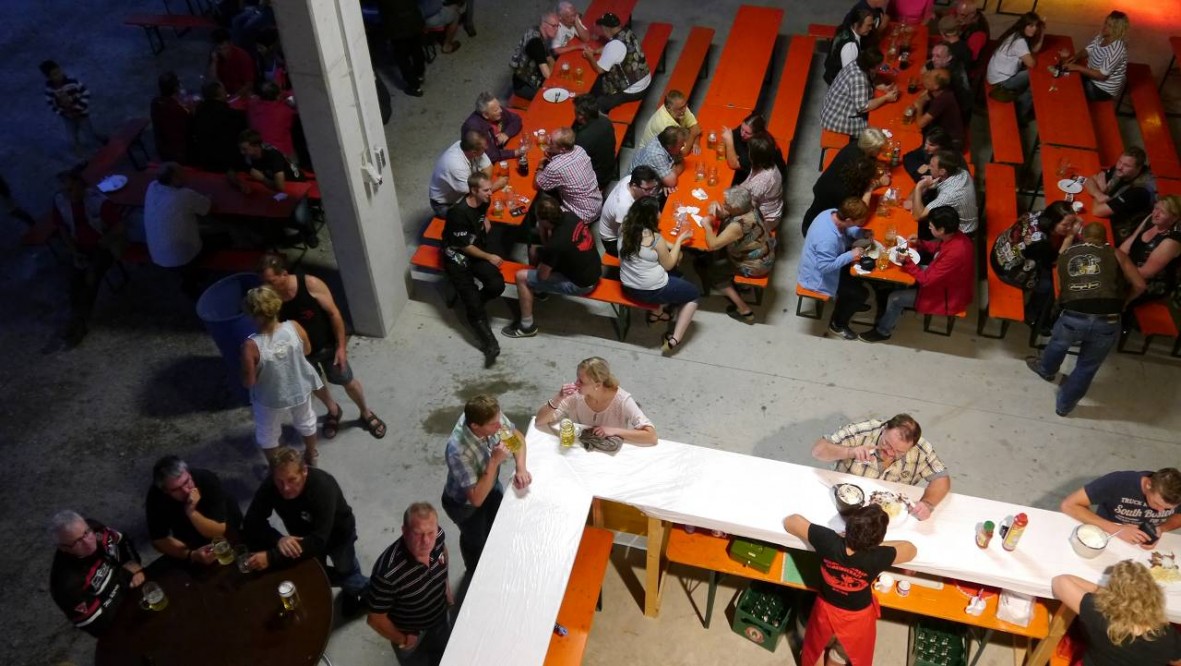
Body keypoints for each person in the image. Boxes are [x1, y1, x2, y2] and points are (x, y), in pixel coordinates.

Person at [259, 253, 387, 440]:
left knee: (347, 380)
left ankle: (365, 412)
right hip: (301, 354)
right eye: (264, 282)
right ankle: (333, 410)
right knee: (315, 385)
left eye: (271, 281)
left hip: (327, 346)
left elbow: (334, 314)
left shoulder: (310, 285)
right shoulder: (270, 298)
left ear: (284, 274)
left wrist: (341, 348)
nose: (267, 287)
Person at [1026, 223, 1146, 416]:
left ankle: (1046, 369)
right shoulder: (1116, 254)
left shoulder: (1067, 253)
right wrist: (1124, 301)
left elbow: (1060, 282)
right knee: (1087, 366)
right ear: (1105, 239)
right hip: (1108, 320)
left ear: (1082, 237)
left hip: (1074, 315)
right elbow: (1140, 285)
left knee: (1058, 343)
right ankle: (1064, 406)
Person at [783, 506, 917, 666]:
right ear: (878, 540)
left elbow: (790, 522)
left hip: (825, 611)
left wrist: (838, 536)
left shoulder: (827, 540)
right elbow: (911, 549)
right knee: (840, 655)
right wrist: (872, 545)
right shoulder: (878, 556)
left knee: (815, 649)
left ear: (848, 526)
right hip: (856, 619)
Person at [243, 447, 370, 615]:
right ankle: (354, 587)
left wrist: (271, 557)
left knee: (345, 567)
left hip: (338, 536)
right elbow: (252, 521)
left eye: (291, 480)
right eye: (280, 481)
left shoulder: (322, 487)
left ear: (304, 471)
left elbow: (318, 541)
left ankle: (368, 592)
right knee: (319, 573)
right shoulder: (271, 485)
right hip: (303, 538)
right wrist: (279, 539)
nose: (285, 488)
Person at [442, 394, 532, 571]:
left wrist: (521, 468)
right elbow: (476, 499)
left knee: (497, 527)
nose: (499, 426)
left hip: (490, 486)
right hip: (465, 504)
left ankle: (494, 562)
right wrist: (494, 461)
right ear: (475, 426)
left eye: (498, 420)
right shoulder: (457, 450)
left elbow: (516, 437)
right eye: (493, 424)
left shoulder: (491, 417)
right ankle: (475, 572)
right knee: (475, 541)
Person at [861, 206, 975, 343]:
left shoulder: (955, 252)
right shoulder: (956, 236)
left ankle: (883, 331)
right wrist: (921, 243)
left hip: (947, 295)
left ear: (941, 230)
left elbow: (926, 280)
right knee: (901, 274)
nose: (929, 228)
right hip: (944, 278)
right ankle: (893, 312)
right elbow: (939, 249)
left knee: (895, 298)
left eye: (931, 226)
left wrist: (907, 261)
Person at [241, 285, 323, 466]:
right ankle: (311, 454)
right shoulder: (294, 327)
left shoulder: (251, 346)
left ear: (254, 315)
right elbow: (307, 350)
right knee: (306, 420)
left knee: (268, 433)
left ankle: (276, 467)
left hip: (270, 397)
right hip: (299, 387)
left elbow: (249, 381)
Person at [810, 414, 951, 519]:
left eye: (899, 452)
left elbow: (941, 478)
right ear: (883, 429)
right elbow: (818, 451)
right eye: (886, 444)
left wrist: (928, 503)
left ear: (912, 447)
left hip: (888, 513)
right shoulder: (863, 431)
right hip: (846, 503)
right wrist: (849, 452)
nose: (890, 453)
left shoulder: (921, 450)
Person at [366, 503, 455, 666]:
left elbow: (443, 551)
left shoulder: (438, 536)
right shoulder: (387, 573)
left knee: (445, 655)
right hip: (412, 634)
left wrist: (446, 587)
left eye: (430, 532)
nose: (426, 541)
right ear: (405, 531)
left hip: (440, 618)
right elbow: (375, 619)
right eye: (418, 533)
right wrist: (402, 639)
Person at [502, 195, 600, 338]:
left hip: (582, 284)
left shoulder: (556, 245)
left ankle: (527, 326)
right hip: (592, 268)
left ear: (544, 220)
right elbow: (549, 247)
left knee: (521, 277)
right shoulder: (571, 217)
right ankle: (540, 292)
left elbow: (543, 275)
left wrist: (542, 231)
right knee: (534, 251)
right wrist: (543, 229)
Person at [1051, 562, 1181, 665]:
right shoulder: (1166, 635)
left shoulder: (1100, 615)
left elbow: (1060, 582)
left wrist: (1105, 593)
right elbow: (1177, 660)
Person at [51, 169, 124, 348]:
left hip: (102, 246)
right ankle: (76, 320)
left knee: (91, 280)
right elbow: (62, 228)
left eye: (71, 189)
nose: (67, 194)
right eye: (65, 189)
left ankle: (80, 323)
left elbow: (119, 228)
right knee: (74, 282)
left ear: (80, 185)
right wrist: (74, 252)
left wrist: (102, 242)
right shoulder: (61, 201)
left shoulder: (98, 202)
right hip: (79, 248)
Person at [618, 196, 699, 354]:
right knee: (693, 294)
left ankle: (657, 314)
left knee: (675, 275)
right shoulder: (654, 238)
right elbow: (669, 264)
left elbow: (653, 248)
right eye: (658, 211)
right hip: (650, 290)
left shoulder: (624, 228)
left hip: (627, 285)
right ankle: (675, 339)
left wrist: (669, 245)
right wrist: (679, 241)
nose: (660, 213)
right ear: (651, 216)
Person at [49, 510, 144, 637]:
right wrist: (126, 577)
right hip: (124, 624)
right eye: (77, 542)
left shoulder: (95, 528)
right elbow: (99, 623)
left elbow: (123, 542)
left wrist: (133, 565)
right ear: (63, 548)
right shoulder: (65, 585)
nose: (88, 542)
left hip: (137, 588)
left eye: (86, 532)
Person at [990, 201, 1081, 332]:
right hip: (1006, 268)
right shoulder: (1040, 242)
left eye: (1072, 223)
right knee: (1049, 285)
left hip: (1002, 247)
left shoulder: (1037, 214)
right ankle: (1032, 315)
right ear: (1053, 222)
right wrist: (1070, 237)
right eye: (1065, 225)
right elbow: (1055, 260)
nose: (1069, 228)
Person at [442, 173, 503, 368]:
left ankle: (474, 303)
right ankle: (490, 344)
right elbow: (464, 247)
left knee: (497, 285)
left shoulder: (484, 201)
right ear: (473, 191)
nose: (490, 192)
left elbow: (481, 217)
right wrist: (489, 257)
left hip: (475, 248)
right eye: (486, 190)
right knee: (472, 302)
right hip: (457, 256)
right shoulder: (457, 213)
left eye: (490, 189)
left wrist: (484, 221)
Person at [799, 198, 874, 340]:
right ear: (849, 219)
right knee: (859, 294)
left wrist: (861, 233)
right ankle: (837, 325)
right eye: (859, 221)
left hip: (830, 259)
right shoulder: (827, 239)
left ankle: (850, 305)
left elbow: (848, 228)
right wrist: (851, 255)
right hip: (818, 277)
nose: (861, 223)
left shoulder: (832, 213)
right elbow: (825, 267)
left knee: (859, 277)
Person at [536, 356, 658, 444]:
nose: (576, 383)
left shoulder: (623, 401)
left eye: (581, 381)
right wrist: (558, 398)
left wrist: (614, 431)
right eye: (577, 378)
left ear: (597, 385)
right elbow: (540, 421)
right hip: (581, 447)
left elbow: (651, 436)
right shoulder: (575, 396)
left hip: (609, 450)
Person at [145, 455, 242, 564]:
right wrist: (191, 555)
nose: (186, 491)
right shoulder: (156, 498)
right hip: (189, 536)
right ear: (166, 491)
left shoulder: (205, 479)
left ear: (188, 473)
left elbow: (219, 532)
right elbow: (158, 540)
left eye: (187, 482)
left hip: (225, 524)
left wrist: (192, 513)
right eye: (177, 489)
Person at [699, 187, 774, 322]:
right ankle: (744, 288)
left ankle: (743, 309)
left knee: (714, 271)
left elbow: (713, 245)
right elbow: (729, 214)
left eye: (727, 204)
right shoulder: (751, 205)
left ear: (737, 208)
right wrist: (720, 210)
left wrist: (707, 226)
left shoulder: (738, 225)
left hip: (756, 265)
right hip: (765, 252)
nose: (724, 204)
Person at [143, 162, 215, 297]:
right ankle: (192, 283)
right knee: (222, 238)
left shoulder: (152, 187)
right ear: (174, 179)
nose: (186, 174)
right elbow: (206, 208)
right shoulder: (184, 195)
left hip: (157, 254)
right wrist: (209, 197)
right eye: (182, 173)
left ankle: (192, 275)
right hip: (180, 257)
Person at [1060, 468, 1181, 546]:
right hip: (1106, 534)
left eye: (1168, 509)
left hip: (1141, 543)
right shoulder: (1118, 482)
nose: (1160, 511)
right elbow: (1069, 505)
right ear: (1148, 485)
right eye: (1157, 504)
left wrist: (1162, 528)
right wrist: (1117, 530)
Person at [803, 128, 890, 234]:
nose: (880, 152)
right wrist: (876, 184)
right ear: (871, 149)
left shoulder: (854, 145)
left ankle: (807, 227)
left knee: (816, 210)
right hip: (836, 199)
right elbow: (861, 218)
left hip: (823, 187)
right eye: (879, 149)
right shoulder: (861, 167)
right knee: (828, 221)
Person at [821, 47, 900, 139]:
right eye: (879, 66)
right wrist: (886, 98)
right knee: (875, 132)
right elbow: (863, 107)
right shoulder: (858, 78)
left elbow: (870, 78)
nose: (880, 67)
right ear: (871, 67)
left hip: (833, 108)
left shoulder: (858, 64)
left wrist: (882, 87)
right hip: (836, 118)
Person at [1084, 147, 1156, 242]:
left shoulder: (1139, 191)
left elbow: (1097, 211)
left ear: (1139, 168)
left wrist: (1100, 190)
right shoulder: (1121, 170)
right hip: (1106, 212)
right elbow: (1089, 180)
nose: (1119, 167)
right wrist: (1099, 194)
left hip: (1119, 232)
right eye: (1119, 161)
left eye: (1127, 165)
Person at [1118, 196, 1181, 306]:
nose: (1155, 214)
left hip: (1149, 282)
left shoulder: (1171, 242)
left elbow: (1146, 273)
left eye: (1162, 212)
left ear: (1174, 218)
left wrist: (1117, 274)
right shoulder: (1151, 219)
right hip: (1129, 267)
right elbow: (1129, 242)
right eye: (1156, 208)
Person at [583, 12, 651, 112]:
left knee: (598, 103)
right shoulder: (627, 32)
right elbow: (611, 47)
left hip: (633, 91)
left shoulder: (614, 45)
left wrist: (590, 57)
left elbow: (599, 70)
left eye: (602, 28)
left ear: (606, 28)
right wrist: (596, 51)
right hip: (645, 79)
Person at [534, 127, 603, 224]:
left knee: (542, 198)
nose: (547, 141)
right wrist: (554, 154)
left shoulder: (555, 168)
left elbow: (537, 185)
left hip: (582, 215)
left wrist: (540, 166)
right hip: (597, 204)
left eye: (551, 142)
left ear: (562, 150)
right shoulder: (579, 149)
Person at [1058, 11, 1129, 102]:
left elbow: (1101, 76)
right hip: (1090, 75)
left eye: (1109, 26)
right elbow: (1088, 50)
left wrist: (1076, 67)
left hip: (1102, 88)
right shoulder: (1102, 36)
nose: (1104, 27)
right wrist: (1075, 57)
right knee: (1064, 77)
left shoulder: (1116, 49)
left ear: (1117, 30)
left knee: (1070, 90)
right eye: (1105, 23)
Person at [986, 12, 1044, 120]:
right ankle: (1020, 115)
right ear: (1024, 25)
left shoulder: (1016, 34)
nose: (1034, 29)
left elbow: (1035, 50)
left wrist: (1042, 33)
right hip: (1001, 81)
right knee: (1035, 82)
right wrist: (1030, 56)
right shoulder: (1019, 42)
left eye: (1036, 26)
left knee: (1032, 76)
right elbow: (1032, 63)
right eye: (1031, 26)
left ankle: (1023, 106)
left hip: (996, 76)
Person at [904, 149, 977, 234]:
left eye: (932, 166)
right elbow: (909, 202)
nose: (928, 167)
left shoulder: (949, 194)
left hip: (961, 232)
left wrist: (918, 188)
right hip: (960, 216)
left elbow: (918, 216)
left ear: (942, 171)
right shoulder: (961, 172)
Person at [40, 59, 104, 157]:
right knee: (72, 136)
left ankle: (98, 149)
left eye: (59, 71)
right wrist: (62, 112)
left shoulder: (72, 82)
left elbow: (86, 92)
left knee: (88, 132)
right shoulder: (50, 91)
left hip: (82, 114)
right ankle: (78, 151)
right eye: (55, 74)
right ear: (49, 77)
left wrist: (79, 107)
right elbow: (51, 105)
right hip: (68, 117)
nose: (59, 75)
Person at [428, 131, 498, 218]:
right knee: (474, 218)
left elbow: (488, 167)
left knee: (485, 203)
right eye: (484, 148)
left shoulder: (469, 146)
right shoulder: (456, 165)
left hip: (461, 195)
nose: (486, 148)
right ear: (474, 152)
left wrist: (484, 187)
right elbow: (474, 192)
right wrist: (496, 185)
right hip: (444, 204)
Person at [597, 165, 659, 257]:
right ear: (634, 186)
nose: (651, 192)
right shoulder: (624, 206)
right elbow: (630, 233)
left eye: (653, 187)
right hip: (613, 240)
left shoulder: (629, 179)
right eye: (647, 189)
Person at [190, 80, 249, 172]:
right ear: (220, 93)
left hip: (205, 161)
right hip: (227, 163)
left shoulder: (198, 113)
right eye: (224, 90)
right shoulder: (231, 115)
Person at [377, 0, 426, 97]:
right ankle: (419, 74)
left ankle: (414, 86)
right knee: (417, 49)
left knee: (402, 57)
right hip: (414, 19)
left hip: (397, 26)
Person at [721, 114, 787, 185]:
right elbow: (734, 135)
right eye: (742, 129)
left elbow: (733, 164)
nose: (742, 134)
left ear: (757, 134)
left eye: (747, 133)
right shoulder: (746, 129)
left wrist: (729, 142)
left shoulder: (758, 148)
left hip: (771, 181)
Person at [461, 92, 524, 164]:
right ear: (485, 115)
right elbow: (489, 155)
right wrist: (515, 153)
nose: (501, 110)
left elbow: (516, 119)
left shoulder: (497, 110)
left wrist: (506, 134)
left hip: (502, 149)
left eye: (499, 107)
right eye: (496, 110)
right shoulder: (474, 128)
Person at [737, 134, 784, 231]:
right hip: (773, 207)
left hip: (767, 219)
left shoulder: (760, 182)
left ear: (753, 156)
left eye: (749, 150)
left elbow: (750, 205)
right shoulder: (767, 164)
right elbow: (749, 180)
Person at [910, 67, 964, 149]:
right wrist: (916, 105)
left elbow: (920, 123)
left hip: (951, 142)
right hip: (939, 130)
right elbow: (922, 98)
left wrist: (919, 106)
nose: (925, 76)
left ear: (936, 86)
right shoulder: (938, 90)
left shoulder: (943, 99)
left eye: (929, 77)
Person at [509, 14, 559, 101]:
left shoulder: (535, 30)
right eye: (553, 26)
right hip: (524, 86)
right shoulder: (536, 44)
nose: (556, 29)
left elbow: (548, 56)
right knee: (553, 97)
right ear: (544, 24)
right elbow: (548, 75)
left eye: (558, 26)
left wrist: (551, 61)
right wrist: (551, 62)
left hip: (526, 77)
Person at [572, 96, 617, 190]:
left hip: (598, 178)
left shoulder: (583, 137)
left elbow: (575, 163)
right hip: (609, 167)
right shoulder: (605, 121)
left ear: (581, 116)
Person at [825, 9, 877, 86]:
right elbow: (849, 76)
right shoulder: (850, 47)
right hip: (837, 82)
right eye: (868, 25)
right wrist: (871, 84)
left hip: (831, 71)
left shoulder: (844, 28)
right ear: (856, 24)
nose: (870, 28)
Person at [248, 81, 297, 161]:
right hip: (281, 152)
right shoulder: (284, 111)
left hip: (259, 151)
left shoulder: (253, 105)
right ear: (278, 96)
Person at [151, 71, 192, 164]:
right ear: (176, 88)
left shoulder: (155, 103)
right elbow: (189, 127)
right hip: (179, 155)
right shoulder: (176, 109)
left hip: (162, 150)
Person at [630, 125, 686, 191]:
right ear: (670, 147)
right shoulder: (657, 154)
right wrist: (671, 173)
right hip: (639, 187)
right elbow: (672, 182)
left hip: (651, 179)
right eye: (681, 144)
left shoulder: (664, 141)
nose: (683, 145)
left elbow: (680, 159)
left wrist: (672, 172)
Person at [208, 28, 256, 98]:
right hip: (224, 94)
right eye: (219, 49)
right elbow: (212, 80)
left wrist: (235, 97)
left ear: (230, 44)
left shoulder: (242, 56)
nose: (222, 52)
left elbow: (249, 84)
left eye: (225, 48)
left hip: (241, 94)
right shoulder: (215, 56)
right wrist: (214, 62)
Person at [954, 0, 990, 69]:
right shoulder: (970, 19)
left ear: (972, 15)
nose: (958, 18)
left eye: (962, 15)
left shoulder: (978, 35)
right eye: (957, 14)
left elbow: (971, 59)